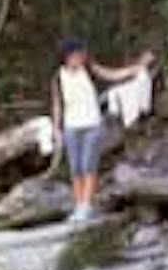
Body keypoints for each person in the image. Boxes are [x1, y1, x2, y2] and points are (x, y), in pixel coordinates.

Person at [53, 40, 150, 220]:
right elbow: (57, 104)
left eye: (80, 55)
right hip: (71, 125)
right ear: (66, 58)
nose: (78, 58)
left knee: (88, 165)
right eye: (75, 55)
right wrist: (56, 129)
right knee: (75, 168)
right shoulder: (58, 77)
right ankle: (79, 204)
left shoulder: (89, 69)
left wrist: (137, 67)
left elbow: (112, 75)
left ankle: (86, 205)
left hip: (92, 123)